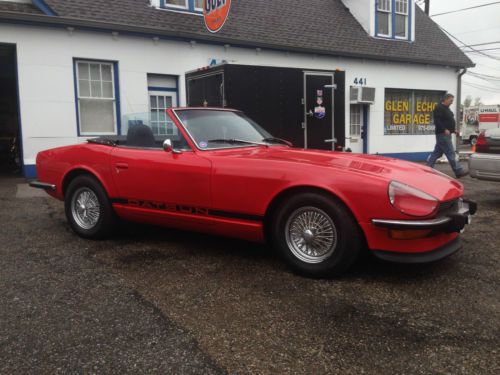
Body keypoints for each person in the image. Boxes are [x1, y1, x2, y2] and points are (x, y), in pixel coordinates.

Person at [427, 93, 468, 178]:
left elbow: (448, 122)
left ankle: (427, 169)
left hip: (445, 134)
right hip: (442, 134)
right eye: (451, 100)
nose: (452, 102)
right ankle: (458, 171)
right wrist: (444, 129)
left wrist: (454, 131)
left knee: (436, 153)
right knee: (450, 152)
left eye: (452, 101)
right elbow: (437, 121)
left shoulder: (447, 109)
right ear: (445, 99)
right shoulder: (439, 108)